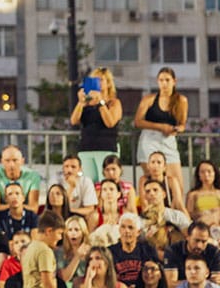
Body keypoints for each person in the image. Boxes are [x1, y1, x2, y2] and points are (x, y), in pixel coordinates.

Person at [134, 68, 188, 207]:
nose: (164, 83)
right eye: (161, 80)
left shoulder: (181, 100)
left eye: (167, 80)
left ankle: (175, 213)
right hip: (149, 139)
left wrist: (177, 129)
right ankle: (154, 212)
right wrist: (160, 126)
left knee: (176, 183)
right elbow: (138, 121)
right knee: (153, 180)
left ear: (174, 82)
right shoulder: (149, 99)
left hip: (168, 140)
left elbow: (182, 123)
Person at [70, 67, 123, 182]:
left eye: (101, 80)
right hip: (87, 148)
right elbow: (74, 121)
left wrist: (101, 103)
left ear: (108, 83)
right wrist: (81, 102)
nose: (98, 83)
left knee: (106, 182)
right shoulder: (86, 104)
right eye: (95, 80)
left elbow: (110, 122)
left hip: (106, 147)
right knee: (89, 184)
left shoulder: (114, 103)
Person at [109, 213, 159, 287]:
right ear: (119, 230)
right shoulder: (109, 252)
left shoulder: (149, 250)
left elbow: (156, 276)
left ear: (138, 232)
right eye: (123, 227)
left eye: (130, 227)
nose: (126, 231)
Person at [0, 145, 41, 212]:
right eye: (7, 160)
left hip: (25, 215)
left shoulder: (33, 176)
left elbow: (34, 208)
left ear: (22, 161)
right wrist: (16, 206)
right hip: (1, 215)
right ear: (2, 161)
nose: (11, 164)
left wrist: (13, 207)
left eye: (15, 160)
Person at [23, 211, 66, 288]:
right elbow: (48, 284)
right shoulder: (44, 251)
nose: (60, 238)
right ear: (49, 231)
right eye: (59, 233)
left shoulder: (31, 246)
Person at [186, 161, 220, 225]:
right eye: (202, 172)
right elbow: (189, 214)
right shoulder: (193, 194)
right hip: (201, 223)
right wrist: (200, 213)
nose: (206, 175)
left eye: (209, 171)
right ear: (199, 175)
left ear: (214, 173)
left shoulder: (219, 193)